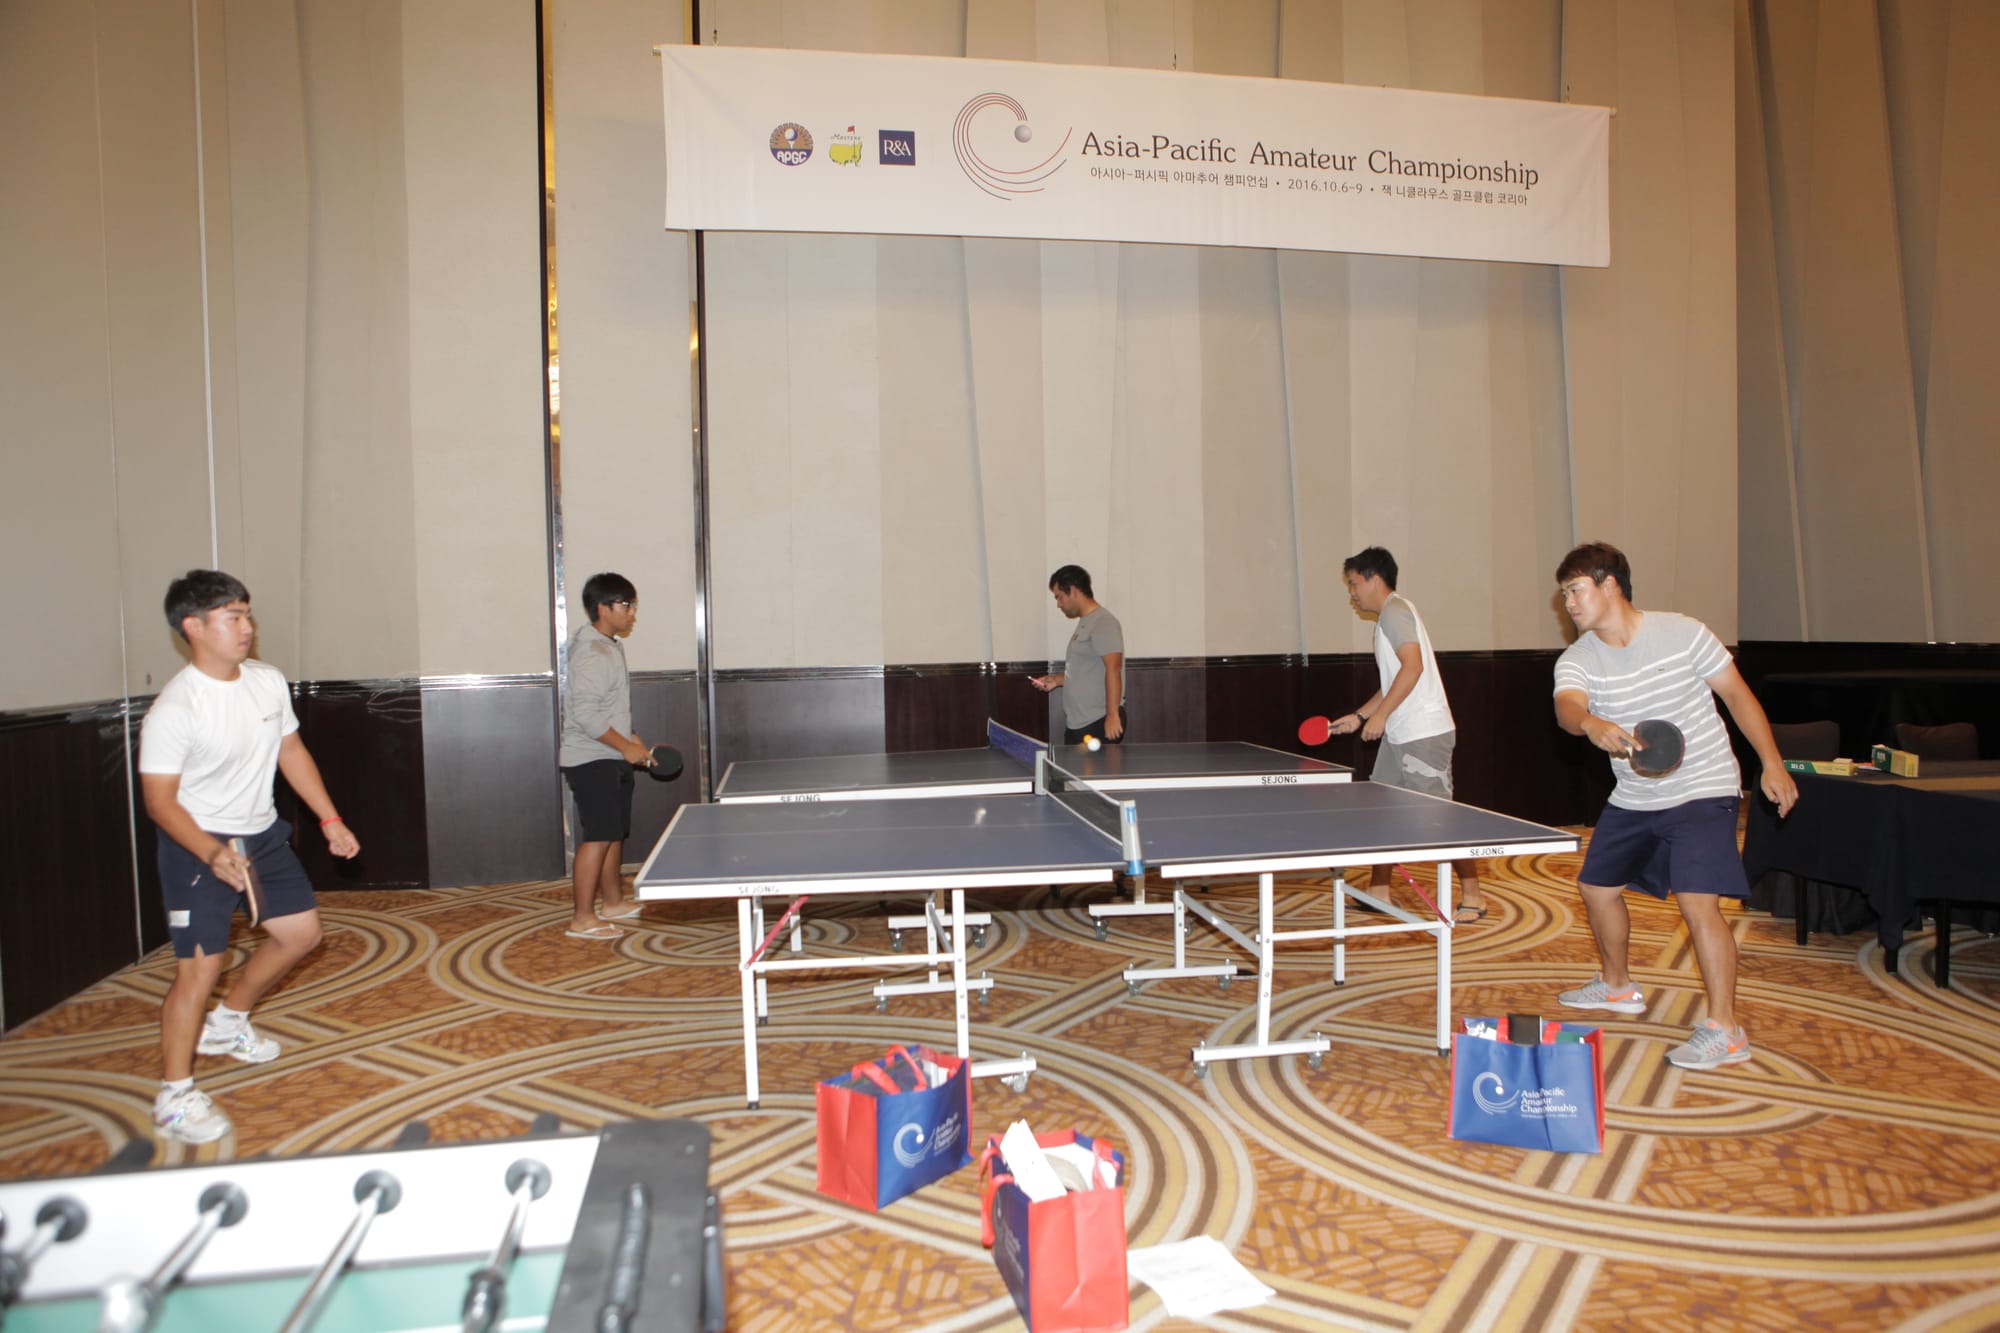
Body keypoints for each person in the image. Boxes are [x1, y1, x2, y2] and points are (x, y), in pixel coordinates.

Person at [1550, 541, 1797, 1071]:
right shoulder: (1578, 658)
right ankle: (1617, 984)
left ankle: (1726, 1029)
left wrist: (1772, 764)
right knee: (1596, 888)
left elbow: (1737, 696)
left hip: (1702, 786)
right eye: (1564, 593)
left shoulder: (1683, 632)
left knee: (1696, 901)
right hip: (1635, 795)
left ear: (1609, 584)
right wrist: (1590, 722)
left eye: (1575, 590)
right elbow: (1568, 707)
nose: (1567, 602)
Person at [138, 570, 361, 1144]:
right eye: (233, 617)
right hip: (196, 842)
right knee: (200, 968)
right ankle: (174, 1096)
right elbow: (160, 803)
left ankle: (228, 1021)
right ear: (193, 627)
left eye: (247, 613)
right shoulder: (176, 708)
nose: (247, 626)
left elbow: (291, 750)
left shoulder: (266, 681)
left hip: (259, 834)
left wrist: (330, 819)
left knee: (301, 934)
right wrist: (210, 852)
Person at [1327, 547, 1485, 922]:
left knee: (1441, 820)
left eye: (1354, 583)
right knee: (1383, 811)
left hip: (1423, 736)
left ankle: (1474, 896)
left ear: (1374, 578)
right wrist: (1360, 716)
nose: (1352, 593)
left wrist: (1381, 716)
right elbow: (1394, 680)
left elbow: (1413, 668)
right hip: (1401, 735)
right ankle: (1378, 890)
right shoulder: (1391, 616)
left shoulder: (1394, 613)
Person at [559, 572, 650, 940]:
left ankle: (612, 902)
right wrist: (624, 746)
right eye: (626, 605)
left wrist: (632, 737)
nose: (632, 612)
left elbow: (609, 706)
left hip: (610, 754)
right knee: (598, 837)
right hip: (591, 758)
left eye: (633, 605)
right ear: (603, 608)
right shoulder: (593, 652)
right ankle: (582, 918)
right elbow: (586, 713)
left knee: (613, 833)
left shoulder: (608, 645)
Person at [1030, 565, 1125, 745]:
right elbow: (1085, 671)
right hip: (1079, 724)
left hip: (1097, 722)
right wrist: (1056, 680)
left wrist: (1112, 715)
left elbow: (1114, 668)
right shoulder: (1086, 623)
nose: (1059, 604)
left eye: (1059, 597)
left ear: (1073, 590)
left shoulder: (1103, 622)